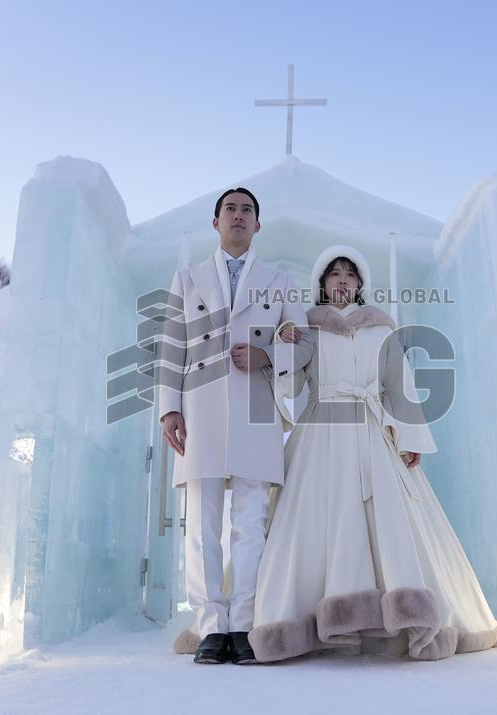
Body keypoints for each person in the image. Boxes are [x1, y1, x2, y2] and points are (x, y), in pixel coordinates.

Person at [248, 244, 497, 662]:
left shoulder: (382, 331)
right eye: (334, 274)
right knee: (314, 522)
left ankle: (400, 616)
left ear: (360, 285)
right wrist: (284, 344)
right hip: (321, 429)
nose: (342, 281)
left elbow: (398, 385)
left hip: (372, 430)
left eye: (350, 275)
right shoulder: (307, 329)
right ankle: (296, 625)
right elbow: (291, 387)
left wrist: (409, 438)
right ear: (321, 284)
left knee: (391, 522)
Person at [159, 188, 312, 665]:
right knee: (201, 526)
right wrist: (169, 409)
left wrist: (270, 356)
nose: (239, 216)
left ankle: (244, 625)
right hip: (200, 408)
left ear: (258, 225)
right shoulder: (188, 278)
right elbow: (170, 348)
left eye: (248, 210)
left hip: (256, 408)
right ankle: (210, 627)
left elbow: (305, 346)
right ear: (216, 221)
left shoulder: (280, 281)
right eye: (231, 209)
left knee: (251, 523)